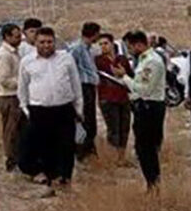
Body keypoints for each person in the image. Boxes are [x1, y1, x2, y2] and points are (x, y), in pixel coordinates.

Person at [18, 27, 82, 192]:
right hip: (40, 110)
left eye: (49, 42)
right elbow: (23, 88)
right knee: (43, 145)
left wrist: (78, 109)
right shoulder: (27, 61)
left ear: (54, 42)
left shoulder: (66, 59)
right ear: (35, 43)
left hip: (64, 109)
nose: (46, 45)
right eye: (42, 42)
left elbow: (76, 85)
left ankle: (64, 178)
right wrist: (26, 109)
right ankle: (48, 177)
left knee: (66, 145)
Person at [112, 31, 166, 190]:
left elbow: (145, 89)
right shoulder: (143, 60)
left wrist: (125, 77)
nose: (128, 51)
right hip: (143, 107)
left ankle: (153, 183)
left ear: (139, 45)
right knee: (142, 149)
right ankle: (151, 183)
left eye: (129, 47)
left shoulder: (152, 62)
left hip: (150, 108)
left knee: (147, 149)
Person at [0, 23, 24, 172]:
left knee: (17, 131)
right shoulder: (5, 55)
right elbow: (3, 79)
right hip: (9, 97)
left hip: (14, 96)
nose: (20, 39)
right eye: (16, 36)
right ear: (7, 37)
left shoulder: (13, 53)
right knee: (11, 132)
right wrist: (23, 83)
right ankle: (11, 162)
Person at [68, 21, 101, 160]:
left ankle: (89, 150)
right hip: (82, 87)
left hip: (89, 87)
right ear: (93, 34)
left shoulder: (87, 49)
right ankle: (81, 152)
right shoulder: (76, 48)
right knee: (84, 119)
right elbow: (70, 68)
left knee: (91, 120)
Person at [95, 33, 132, 152]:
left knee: (124, 128)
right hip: (107, 99)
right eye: (100, 44)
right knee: (113, 129)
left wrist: (123, 73)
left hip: (123, 98)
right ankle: (112, 157)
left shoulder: (122, 59)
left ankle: (122, 155)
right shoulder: (98, 61)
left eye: (105, 43)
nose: (103, 46)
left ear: (112, 44)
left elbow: (131, 76)